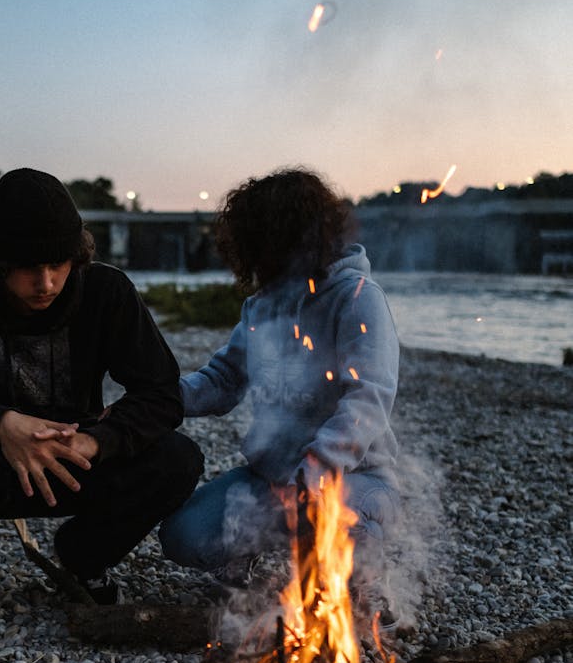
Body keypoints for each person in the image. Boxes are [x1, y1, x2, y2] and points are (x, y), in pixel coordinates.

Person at [0, 168, 203, 622]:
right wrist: (2, 424)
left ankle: (84, 557)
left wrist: (99, 440)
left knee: (178, 458)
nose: (45, 283)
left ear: (75, 256)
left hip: (75, 460)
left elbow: (161, 393)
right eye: (27, 267)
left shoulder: (106, 290)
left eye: (58, 264)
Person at [159, 168, 404, 634]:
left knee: (336, 523)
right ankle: (247, 556)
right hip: (270, 479)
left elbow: (369, 397)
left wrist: (314, 468)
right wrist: (157, 399)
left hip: (354, 477)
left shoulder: (357, 299)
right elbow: (223, 378)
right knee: (183, 538)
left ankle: (367, 577)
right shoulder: (262, 305)